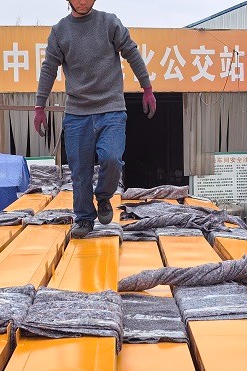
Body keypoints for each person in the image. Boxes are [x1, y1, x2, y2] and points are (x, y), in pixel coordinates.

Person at [34, 0, 157, 238]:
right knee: (80, 171)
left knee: (112, 158)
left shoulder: (109, 23)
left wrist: (147, 88)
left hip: (111, 107)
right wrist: (40, 105)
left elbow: (131, 51)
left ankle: (103, 196)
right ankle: (84, 218)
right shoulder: (60, 31)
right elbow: (49, 67)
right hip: (77, 112)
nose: (83, 1)